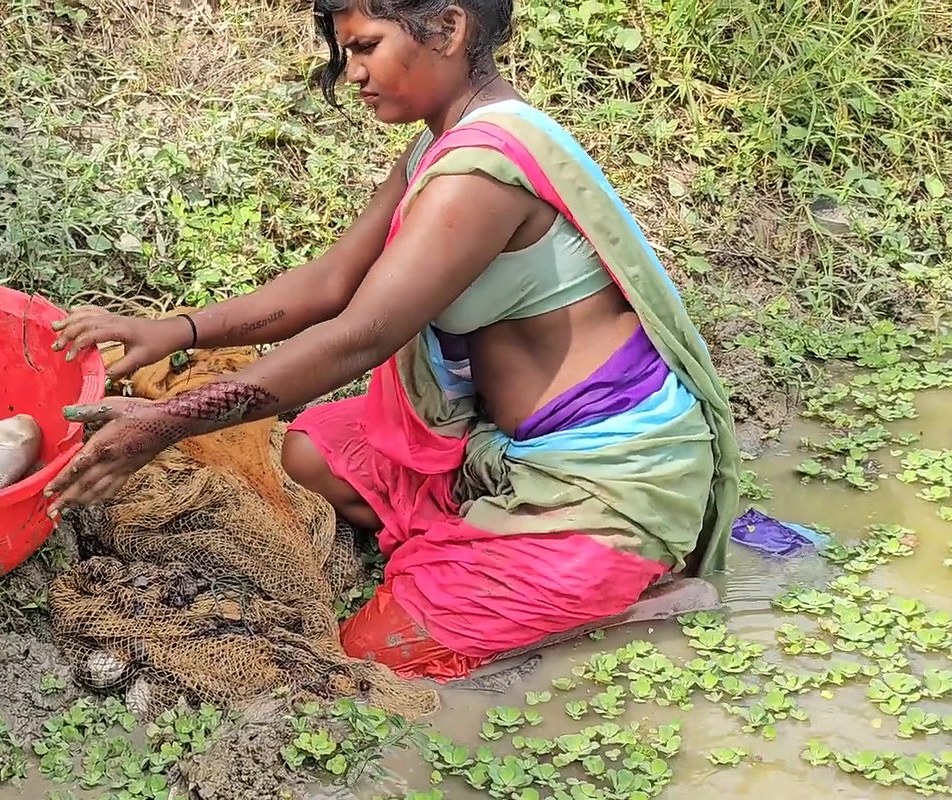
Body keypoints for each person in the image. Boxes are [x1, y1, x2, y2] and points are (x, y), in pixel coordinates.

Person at [43, 0, 738, 681]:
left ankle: (619, 597)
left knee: (376, 651)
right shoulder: (440, 144)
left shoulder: (478, 177)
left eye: (367, 46)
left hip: (604, 484)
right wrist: (176, 331)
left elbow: (358, 339)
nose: (352, 72)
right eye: (347, 51)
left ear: (448, 27)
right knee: (313, 450)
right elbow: (332, 282)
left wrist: (168, 421)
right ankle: (486, 553)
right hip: (499, 448)